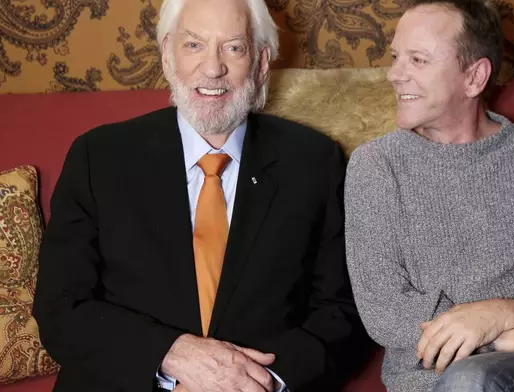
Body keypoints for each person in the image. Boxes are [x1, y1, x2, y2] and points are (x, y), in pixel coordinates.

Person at [33, 0, 371, 391]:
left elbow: (341, 311)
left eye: (233, 47)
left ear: (261, 63)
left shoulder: (314, 161)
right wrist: (170, 355)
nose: (213, 68)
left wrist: (264, 382)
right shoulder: (98, 157)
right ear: (167, 56)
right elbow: (61, 308)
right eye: (193, 45)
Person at [344, 0, 514, 391]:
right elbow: (385, 310)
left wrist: (501, 314)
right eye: (395, 57)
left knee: (473, 379)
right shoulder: (375, 166)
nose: (395, 74)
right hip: (429, 383)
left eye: (418, 60)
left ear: (474, 77)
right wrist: (498, 338)